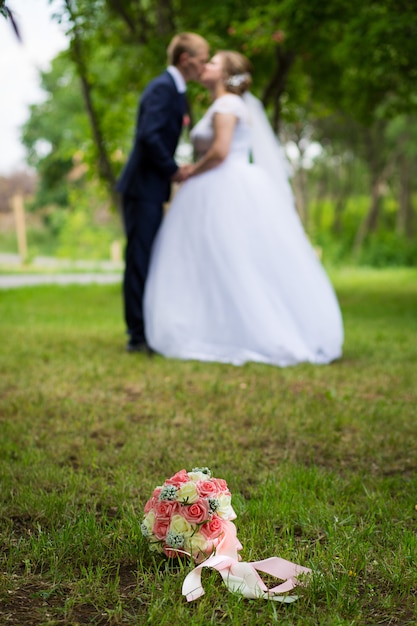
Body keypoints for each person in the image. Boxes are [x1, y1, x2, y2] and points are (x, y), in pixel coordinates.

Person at [143, 51, 344, 366]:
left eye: (213, 63)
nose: (205, 65)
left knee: (233, 260)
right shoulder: (222, 105)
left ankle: (249, 330)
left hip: (222, 186)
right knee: (218, 262)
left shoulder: (227, 105)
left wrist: (189, 171)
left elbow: (221, 151)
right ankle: (217, 326)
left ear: (225, 75)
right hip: (216, 185)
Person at [116, 33, 210, 352]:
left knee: (147, 256)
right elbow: (149, 136)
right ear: (186, 59)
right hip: (143, 187)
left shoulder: (175, 91)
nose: (205, 65)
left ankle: (145, 328)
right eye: (203, 58)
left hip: (151, 188)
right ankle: (137, 336)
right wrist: (173, 169)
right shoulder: (163, 88)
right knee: (139, 258)